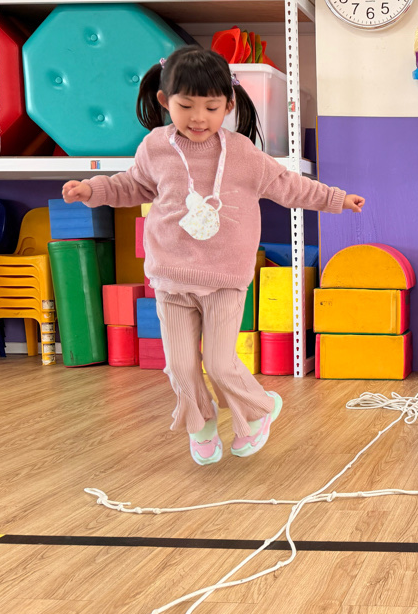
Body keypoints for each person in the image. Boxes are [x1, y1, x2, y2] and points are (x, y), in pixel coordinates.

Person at [62, 46, 365, 465]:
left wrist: (336, 199)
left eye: (211, 107)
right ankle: (200, 424)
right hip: (171, 278)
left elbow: (288, 185)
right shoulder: (155, 147)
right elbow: (132, 185)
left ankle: (257, 411)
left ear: (229, 105)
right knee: (180, 367)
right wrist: (91, 190)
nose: (199, 117)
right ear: (165, 101)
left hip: (224, 278)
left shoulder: (242, 153)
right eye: (186, 106)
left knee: (221, 364)